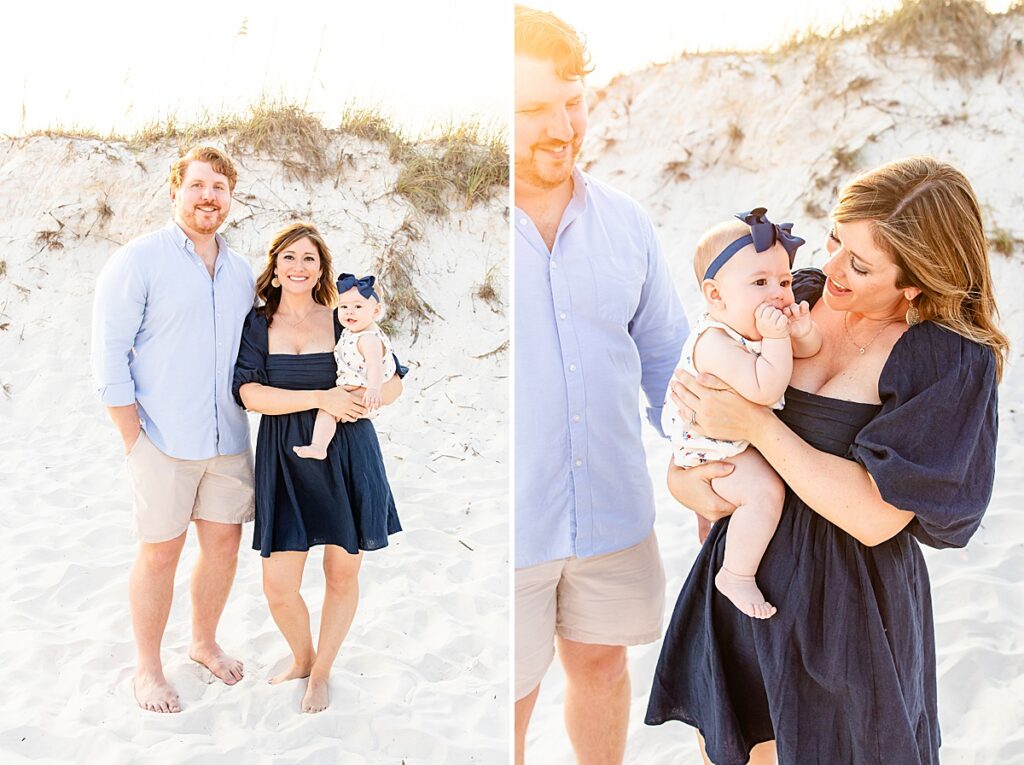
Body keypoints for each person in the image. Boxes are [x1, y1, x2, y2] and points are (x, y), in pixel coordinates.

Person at [646, 156, 1007, 765]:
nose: (829, 266)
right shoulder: (798, 296)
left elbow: (875, 515)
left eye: (860, 265)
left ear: (913, 283)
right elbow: (699, 439)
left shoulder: (948, 362)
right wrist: (690, 482)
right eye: (837, 237)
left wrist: (756, 422)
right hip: (746, 582)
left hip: (849, 613)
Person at [513, 6, 689, 763]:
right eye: (530, 109)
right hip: (512, 528)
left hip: (614, 514)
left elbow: (673, 373)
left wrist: (712, 475)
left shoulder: (628, 224)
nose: (562, 126)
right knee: (508, 698)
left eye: (573, 100)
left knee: (603, 665)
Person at [91, 146, 256, 713]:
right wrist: (131, 436)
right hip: (160, 439)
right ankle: (148, 668)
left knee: (223, 549)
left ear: (231, 199)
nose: (209, 196)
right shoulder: (139, 260)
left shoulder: (240, 271)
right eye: (198, 185)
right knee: (159, 554)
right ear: (175, 190)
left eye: (220, 187)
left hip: (228, 440)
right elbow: (109, 353)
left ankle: (204, 643)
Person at [232, 222, 404, 713]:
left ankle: (322, 671)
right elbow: (248, 393)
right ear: (275, 265)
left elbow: (394, 380)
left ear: (321, 267)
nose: (299, 267)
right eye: (289, 257)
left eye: (309, 258)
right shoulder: (258, 324)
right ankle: (302, 657)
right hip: (283, 455)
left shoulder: (342, 317)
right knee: (278, 584)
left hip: (346, 450)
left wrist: (364, 400)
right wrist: (318, 396)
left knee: (341, 571)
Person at [663, 209, 821, 620]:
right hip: (714, 450)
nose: (779, 293)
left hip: (734, 437)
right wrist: (777, 336)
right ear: (716, 296)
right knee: (765, 492)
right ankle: (735, 573)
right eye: (760, 282)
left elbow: (800, 357)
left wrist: (801, 334)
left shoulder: (751, 327)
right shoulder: (714, 342)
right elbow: (766, 386)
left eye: (785, 281)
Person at [293, 273, 397, 459]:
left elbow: (375, 366)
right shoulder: (352, 331)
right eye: (344, 306)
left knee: (327, 410)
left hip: (364, 390)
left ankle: (318, 446)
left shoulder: (368, 338)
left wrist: (373, 389)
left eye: (358, 306)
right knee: (330, 409)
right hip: (353, 386)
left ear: (375, 311)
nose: (349, 311)